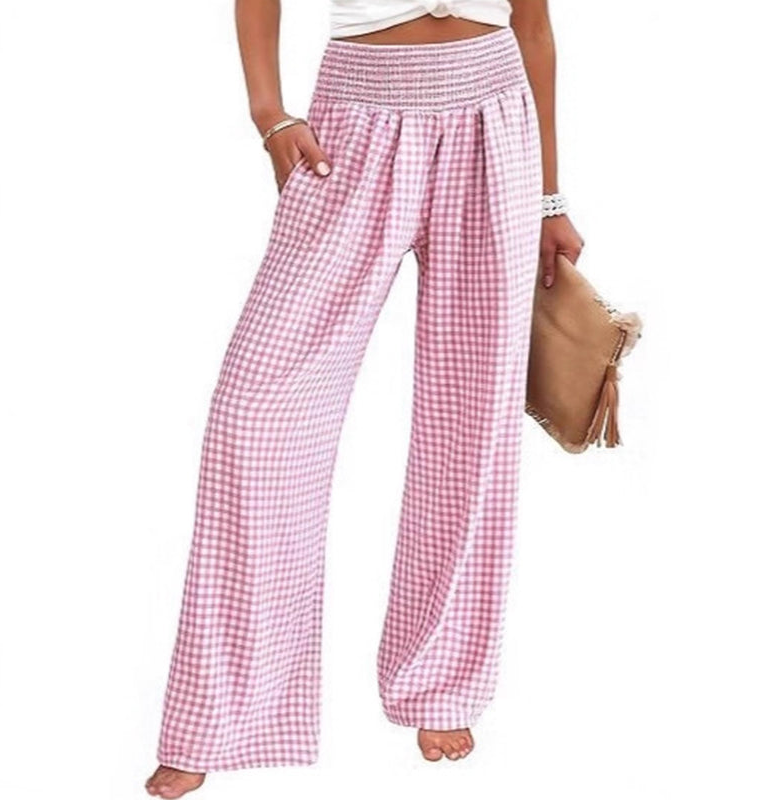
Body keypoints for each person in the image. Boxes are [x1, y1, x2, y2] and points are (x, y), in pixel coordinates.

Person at [145, 0, 584, 796]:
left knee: (472, 422)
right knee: (255, 414)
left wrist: (551, 199)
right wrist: (270, 114)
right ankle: (224, 712)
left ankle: (441, 680)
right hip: (354, 120)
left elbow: (534, 24)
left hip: (494, 116)